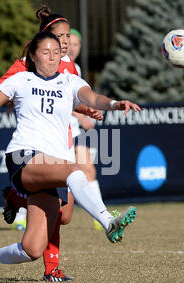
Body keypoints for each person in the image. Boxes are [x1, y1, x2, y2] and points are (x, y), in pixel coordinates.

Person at [0, 31, 141, 283]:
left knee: (32, 249)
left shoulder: (70, 81)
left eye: (56, 52)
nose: (52, 57)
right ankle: (108, 222)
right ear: (32, 55)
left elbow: (93, 98)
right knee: (75, 169)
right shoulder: (20, 81)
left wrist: (115, 104)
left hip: (52, 167)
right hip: (23, 157)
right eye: (45, 52)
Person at [0, 6, 102, 282]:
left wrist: (85, 110)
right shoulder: (28, 64)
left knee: (65, 216)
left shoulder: (73, 67)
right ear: (46, 41)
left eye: (68, 36)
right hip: (38, 146)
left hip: (63, 141)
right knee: (61, 201)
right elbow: (10, 90)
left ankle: (16, 198)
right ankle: (52, 268)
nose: (66, 41)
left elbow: (71, 99)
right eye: (60, 36)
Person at [67, 28, 106, 230]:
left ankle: (101, 215)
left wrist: (84, 114)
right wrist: (81, 115)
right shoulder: (55, 67)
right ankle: (20, 212)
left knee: (88, 169)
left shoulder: (77, 69)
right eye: (69, 42)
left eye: (76, 44)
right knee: (46, 179)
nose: (72, 48)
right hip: (56, 132)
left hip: (74, 131)